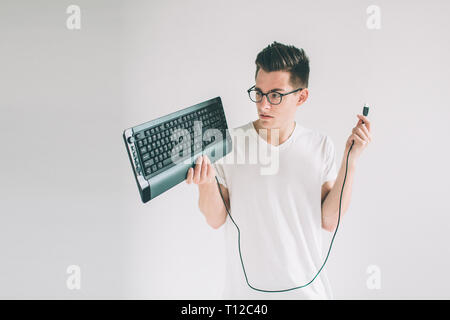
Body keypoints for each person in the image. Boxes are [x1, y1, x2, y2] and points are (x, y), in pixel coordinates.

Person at [185, 41, 372, 299]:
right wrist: (205, 182)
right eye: (259, 93)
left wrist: (350, 161)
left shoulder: (318, 145)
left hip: (307, 294)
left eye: (275, 95)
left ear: (301, 96)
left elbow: (329, 220)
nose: (263, 105)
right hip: (246, 298)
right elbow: (215, 219)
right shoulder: (230, 144)